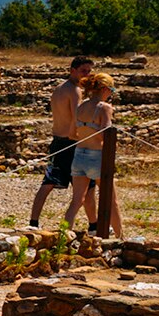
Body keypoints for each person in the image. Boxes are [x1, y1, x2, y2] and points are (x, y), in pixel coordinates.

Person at [28, 58, 89, 227]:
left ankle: (33, 222)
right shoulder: (75, 90)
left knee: (48, 182)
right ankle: (93, 226)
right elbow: (76, 117)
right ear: (73, 70)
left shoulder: (59, 88)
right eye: (84, 71)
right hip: (71, 142)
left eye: (89, 71)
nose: (87, 74)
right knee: (86, 187)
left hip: (57, 140)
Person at [64, 71, 123, 236]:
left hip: (79, 154)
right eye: (111, 90)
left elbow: (71, 134)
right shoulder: (104, 108)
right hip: (96, 156)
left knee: (76, 201)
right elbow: (106, 134)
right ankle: (121, 237)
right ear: (105, 89)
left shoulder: (81, 106)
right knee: (112, 201)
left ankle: (62, 236)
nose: (111, 94)